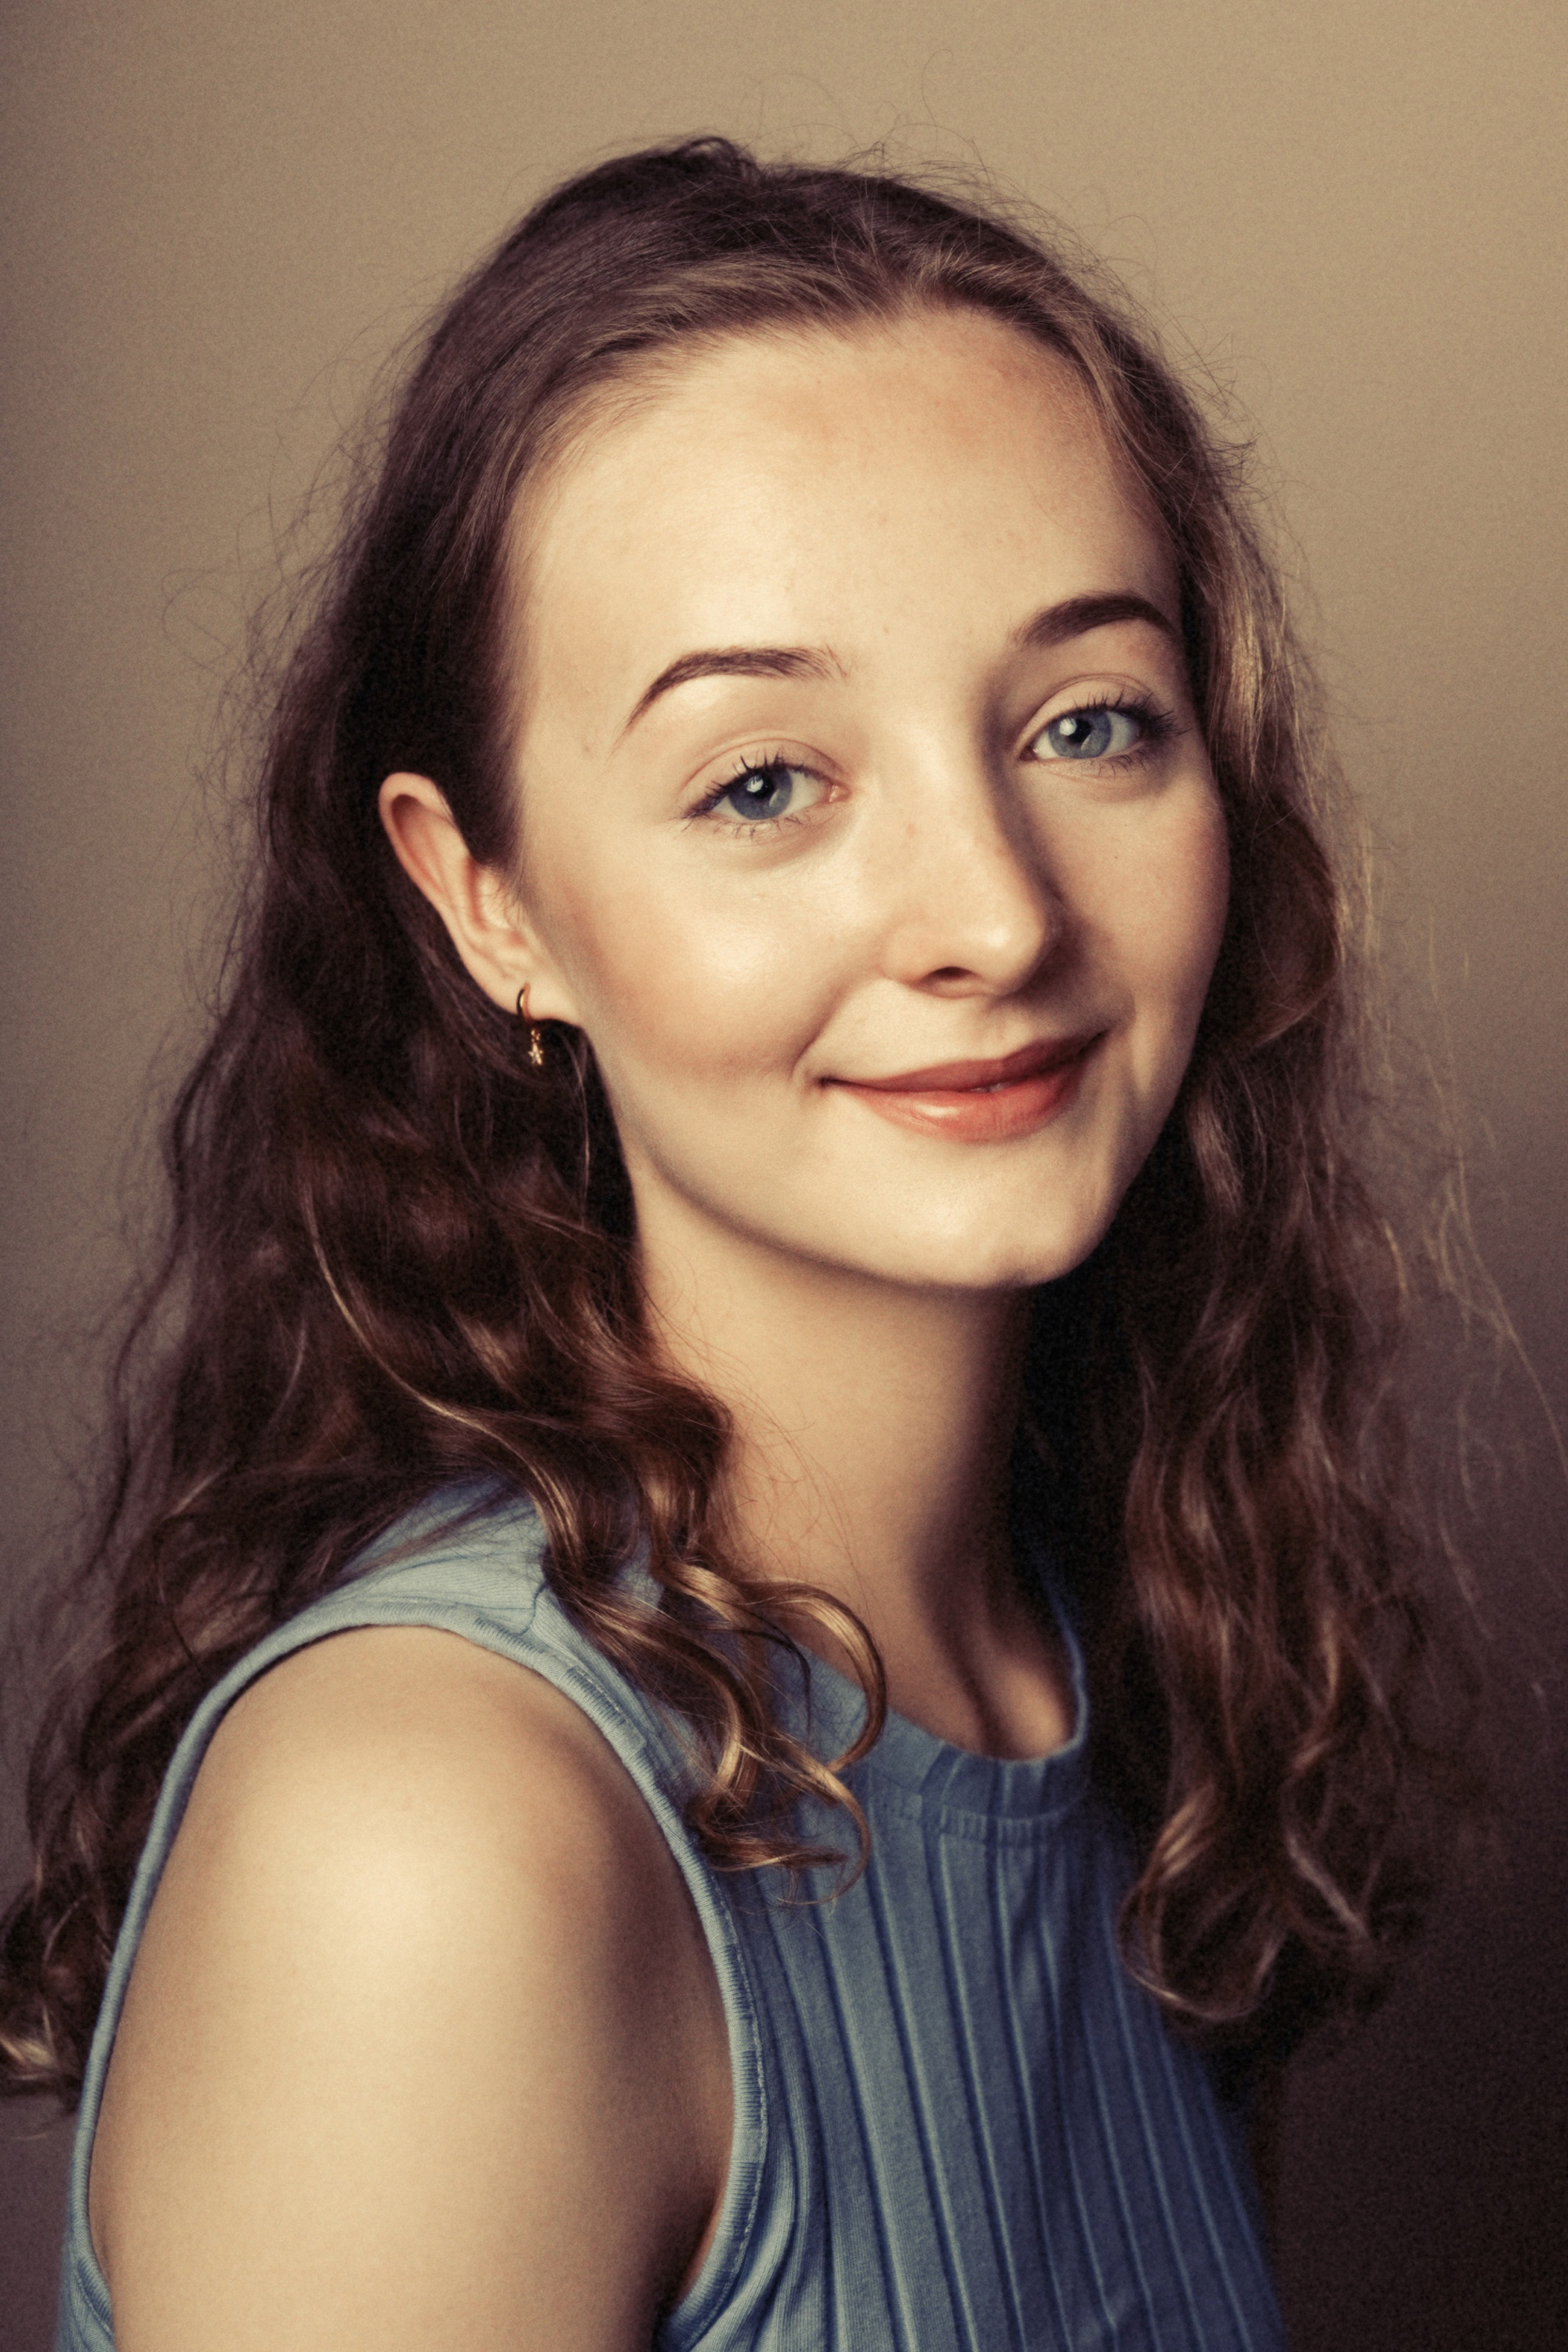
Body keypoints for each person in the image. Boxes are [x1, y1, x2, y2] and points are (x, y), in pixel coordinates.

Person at [1, 139, 1466, 2350]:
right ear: (487, 901)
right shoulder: (430, 1841)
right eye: (765, 782)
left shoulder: (1104, 1662)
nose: (995, 917)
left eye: (1088, 725)